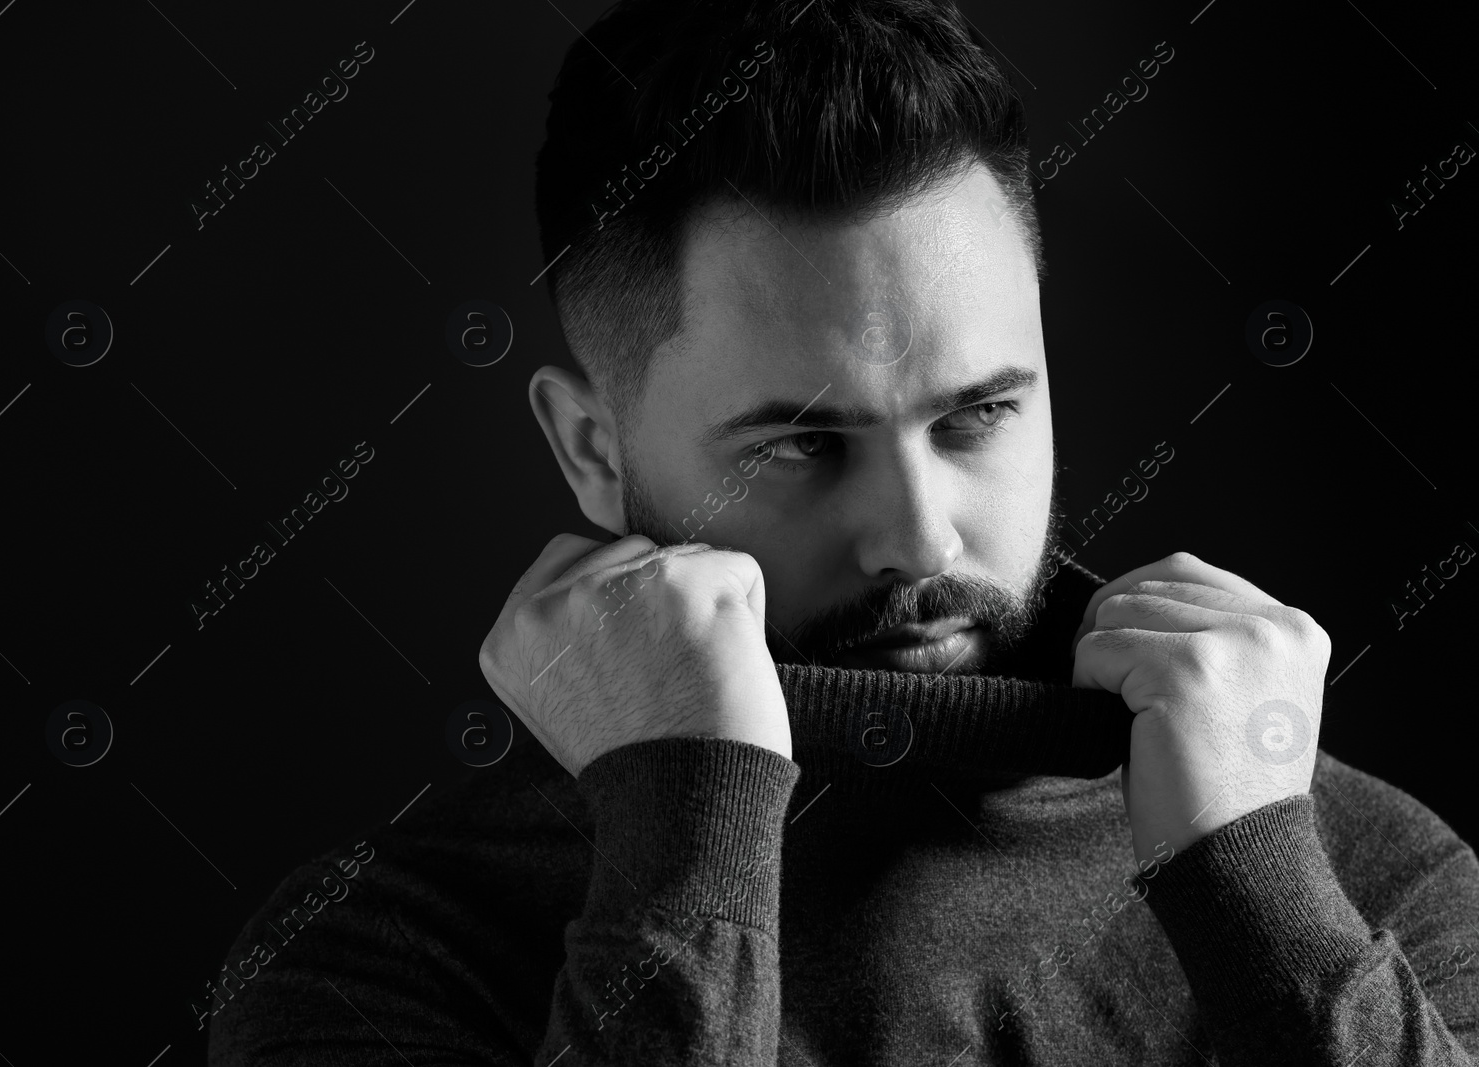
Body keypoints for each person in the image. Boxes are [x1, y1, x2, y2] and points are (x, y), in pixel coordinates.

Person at [208, 2, 1479, 1063]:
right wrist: (684, 842)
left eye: (977, 416)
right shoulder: (379, 953)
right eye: (803, 445)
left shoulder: (1357, 875)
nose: (921, 542)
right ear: (593, 449)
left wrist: (1262, 898)